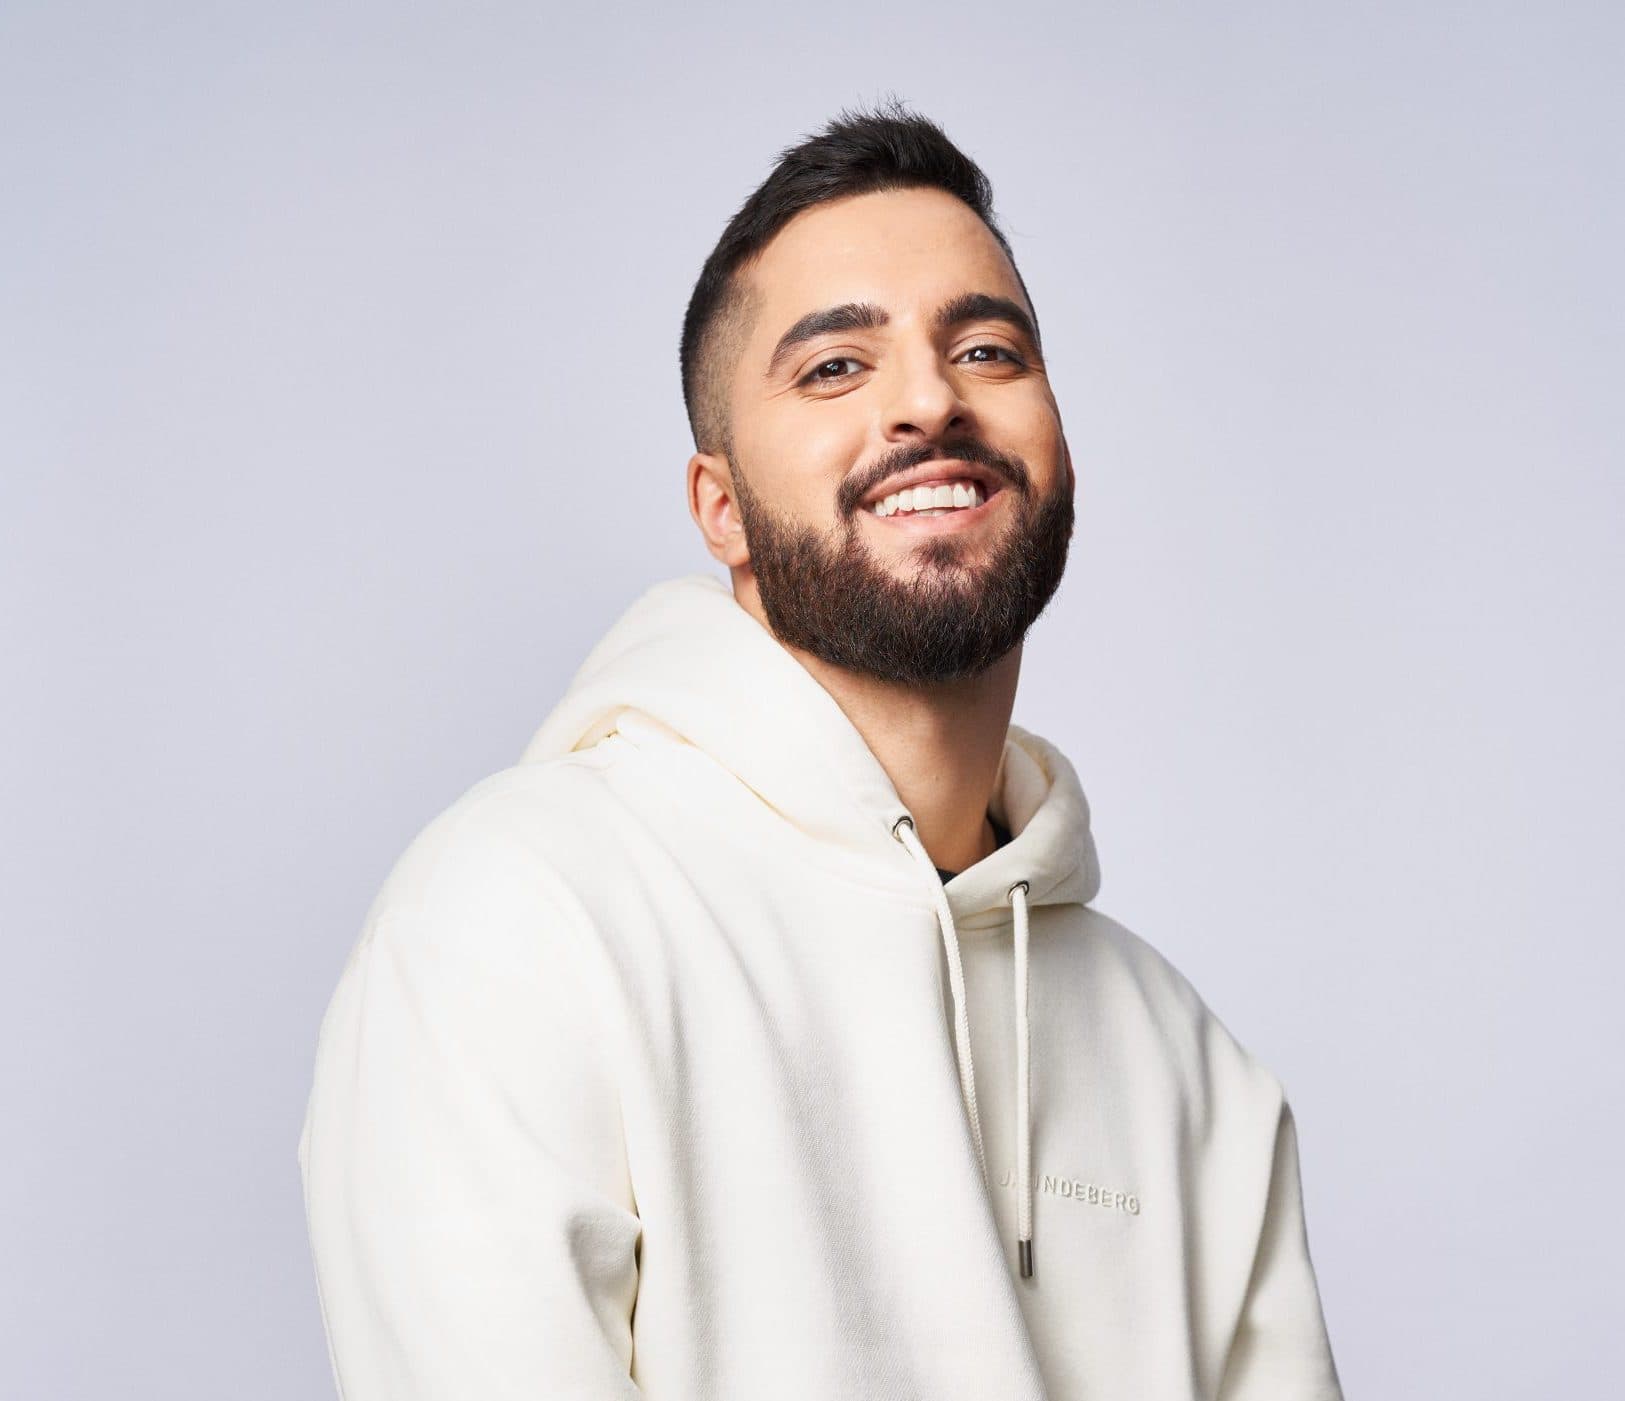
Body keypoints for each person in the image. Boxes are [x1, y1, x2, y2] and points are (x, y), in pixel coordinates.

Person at [298, 99, 1345, 1400]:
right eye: (836, 367)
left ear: (1061, 448)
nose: (929, 400)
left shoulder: (1185, 1063)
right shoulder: (518, 916)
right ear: (721, 507)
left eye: (986, 350)